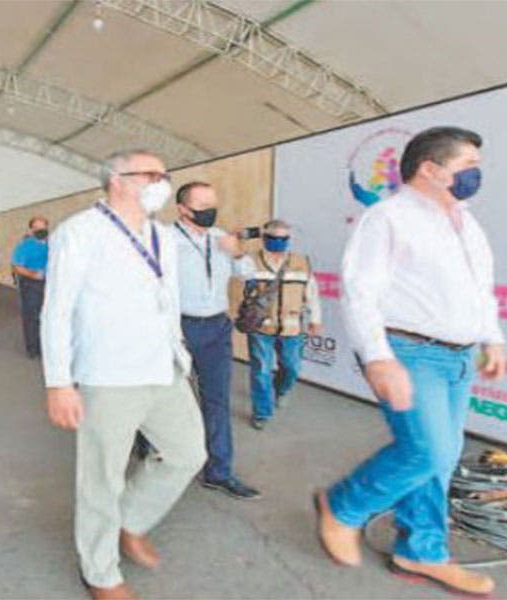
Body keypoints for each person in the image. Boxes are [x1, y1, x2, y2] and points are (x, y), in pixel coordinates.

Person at [315, 127, 507, 597]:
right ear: (430, 168)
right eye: (468, 164)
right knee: (428, 451)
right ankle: (342, 507)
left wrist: (493, 339)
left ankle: (421, 551)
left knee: (441, 458)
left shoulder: (466, 222)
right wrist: (378, 358)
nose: (477, 173)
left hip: (458, 357)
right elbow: (360, 291)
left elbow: (481, 291)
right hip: (410, 352)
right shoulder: (388, 217)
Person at [42, 149, 206, 600]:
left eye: (165, 175)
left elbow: (168, 299)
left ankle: (130, 520)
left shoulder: (161, 235)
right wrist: (59, 382)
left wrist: (179, 352)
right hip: (108, 374)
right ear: (118, 179)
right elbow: (56, 311)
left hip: (164, 367)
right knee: (101, 480)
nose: (162, 184)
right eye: (152, 175)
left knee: (187, 453)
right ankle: (100, 572)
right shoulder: (79, 232)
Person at [170, 182, 261, 499]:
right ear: (182, 209)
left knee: (217, 401)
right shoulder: (165, 240)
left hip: (217, 328)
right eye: (202, 206)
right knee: (164, 400)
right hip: (176, 328)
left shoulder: (220, 237)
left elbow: (249, 274)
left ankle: (219, 472)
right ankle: (158, 459)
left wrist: (237, 252)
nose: (210, 212)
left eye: (213, 205)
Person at [234, 219, 323, 430]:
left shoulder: (301, 262)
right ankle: (262, 412)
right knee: (261, 371)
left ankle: (281, 390)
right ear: (264, 238)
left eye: (284, 238)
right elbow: (232, 247)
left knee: (291, 367)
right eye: (273, 237)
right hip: (260, 327)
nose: (278, 242)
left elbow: (312, 292)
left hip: (292, 327)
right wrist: (248, 233)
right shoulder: (249, 261)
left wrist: (316, 319)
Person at [11, 216, 49, 358]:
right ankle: (33, 348)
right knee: (32, 316)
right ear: (31, 229)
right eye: (37, 228)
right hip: (31, 284)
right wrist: (33, 274)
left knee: (48, 316)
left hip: (49, 284)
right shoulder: (25, 246)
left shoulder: (52, 243)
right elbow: (17, 266)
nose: (41, 230)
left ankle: (46, 346)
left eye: (43, 227)